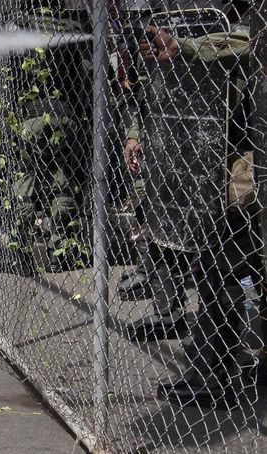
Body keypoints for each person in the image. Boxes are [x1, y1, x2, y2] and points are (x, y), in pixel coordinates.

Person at [125, 1, 265, 407]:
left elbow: (245, 40)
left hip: (243, 159)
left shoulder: (241, 19)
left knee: (228, 268)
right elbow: (145, 85)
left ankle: (213, 374)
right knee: (222, 268)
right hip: (206, 163)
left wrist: (184, 47)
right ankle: (212, 370)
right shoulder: (183, 14)